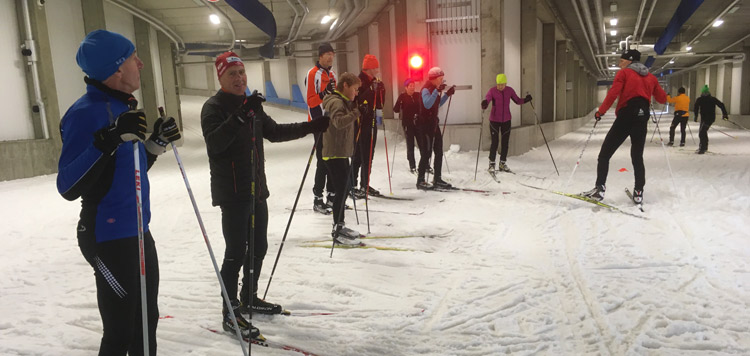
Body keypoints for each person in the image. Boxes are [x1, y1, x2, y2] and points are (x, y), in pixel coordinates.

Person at [57, 29, 181, 355]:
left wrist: (156, 143)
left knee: (145, 323)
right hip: (106, 236)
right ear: (116, 69)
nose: (140, 63)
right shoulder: (87, 113)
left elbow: (127, 173)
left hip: (139, 232)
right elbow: (68, 186)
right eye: (132, 58)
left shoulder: (121, 108)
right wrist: (108, 139)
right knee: (120, 331)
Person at [200, 51, 329, 339]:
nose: (239, 78)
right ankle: (230, 312)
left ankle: (249, 296)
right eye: (232, 74)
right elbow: (215, 145)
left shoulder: (251, 106)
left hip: (257, 190)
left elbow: (274, 132)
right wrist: (242, 114)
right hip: (233, 193)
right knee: (235, 253)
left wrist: (311, 127)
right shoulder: (214, 107)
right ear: (220, 77)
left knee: (258, 248)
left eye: (241, 72)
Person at [582, 49, 666, 204]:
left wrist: (600, 112)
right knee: (637, 156)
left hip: (626, 116)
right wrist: (651, 90)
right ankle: (638, 192)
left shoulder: (624, 74)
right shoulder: (651, 78)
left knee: (604, 155)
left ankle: (599, 189)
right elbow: (662, 98)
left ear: (630, 61)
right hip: (642, 118)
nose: (619, 63)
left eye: (622, 60)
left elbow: (613, 93)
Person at [321, 72, 363, 244]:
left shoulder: (341, 100)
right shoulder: (337, 102)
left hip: (340, 152)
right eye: (354, 89)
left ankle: (340, 224)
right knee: (342, 190)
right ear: (345, 86)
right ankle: (337, 227)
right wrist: (356, 113)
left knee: (344, 189)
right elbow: (338, 122)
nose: (356, 92)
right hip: (334, 153)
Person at [306, 42, 337, 214]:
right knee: (323, 161)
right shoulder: (313, 74)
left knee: (333, 160)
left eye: (332, 54)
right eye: (327, 54)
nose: (331, 57)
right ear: (320, 57)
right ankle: (318, 198)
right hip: (318, 122)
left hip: (332, 123)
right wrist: (324, 93)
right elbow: (310, 101)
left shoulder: (332, 74)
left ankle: (332, 197)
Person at [481, 73, 532, 173]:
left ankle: (502, 163)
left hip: (506, 120)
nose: (500, 86)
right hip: (494, 120)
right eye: (498, 84)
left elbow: (517, 101)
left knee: (505, 143)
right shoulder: (492, 91)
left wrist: (526, 100)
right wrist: (485, 103)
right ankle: (491, 164)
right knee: (494, 142)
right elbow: (487, 99)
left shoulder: (509, 90)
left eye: (502, 84)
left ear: (505, 83)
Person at [416, 67, 456, 190]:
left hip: (433, 124)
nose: (441, 81)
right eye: (440, 78)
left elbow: (436, 104)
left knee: (439, 151)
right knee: (426, 153)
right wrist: (436, 91)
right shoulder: (426, 90)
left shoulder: (435, 89)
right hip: (424, 125)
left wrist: (447, 95)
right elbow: (427, 104)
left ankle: (437, 178)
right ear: (433, 79)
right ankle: (420, 180)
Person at [351, 54, 385, 198]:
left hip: (371, 121)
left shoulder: (374, 81)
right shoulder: (359, 81)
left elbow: (380, 104)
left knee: (369, 154)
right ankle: (352, 185)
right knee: (359, 155)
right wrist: (371, 90)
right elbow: (357, 100)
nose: (378, 70)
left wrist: (381, 90)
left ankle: (365, 184)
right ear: (370, 68)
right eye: (376, 67)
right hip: (360, 122)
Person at [393, 78, 421, 174]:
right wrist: (400, 104)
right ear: (406, 87)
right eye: (410, 86)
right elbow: (395, 109)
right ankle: (412, 165)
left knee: (422, 144)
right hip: (407, 124)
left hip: (418, 123)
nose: (412, 88)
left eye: (413, 85)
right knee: (410, 144)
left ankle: (425, 165)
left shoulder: (418, 95)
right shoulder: (402, 96)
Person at [693, 85, 728, 154]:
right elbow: (721, 105)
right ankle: (703, 146)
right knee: (702, 132)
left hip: (707, 119)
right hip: (709, 118)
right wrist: (725, 114)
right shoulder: (712, 99)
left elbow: (696, 108)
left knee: (702, 132)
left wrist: (696, 116)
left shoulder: (700, 99)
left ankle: (703, 148)